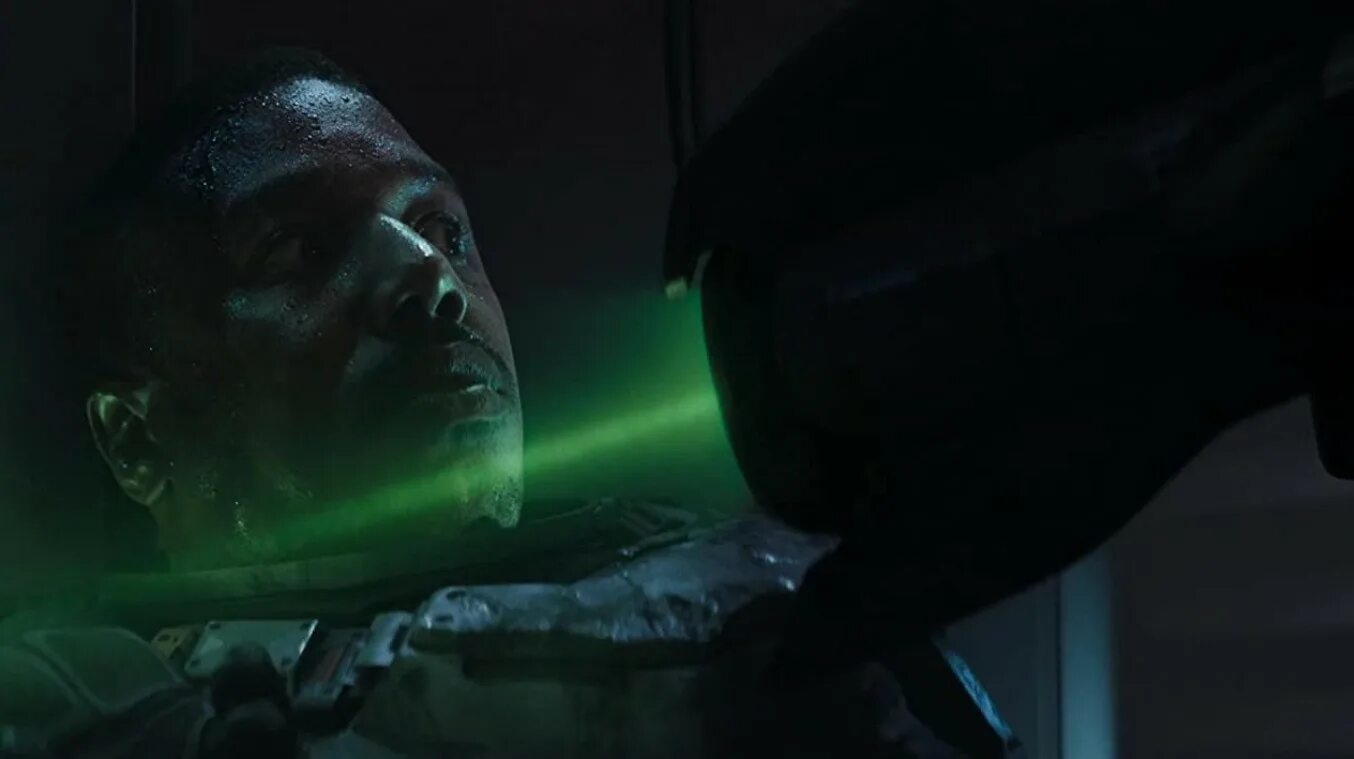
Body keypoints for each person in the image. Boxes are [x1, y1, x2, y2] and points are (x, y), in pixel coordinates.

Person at [0, 49, 1019, 758]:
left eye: (445, 231)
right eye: (301, 250)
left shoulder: (772, 580)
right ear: (136, 442)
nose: (432, 281)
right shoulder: (77, 701)